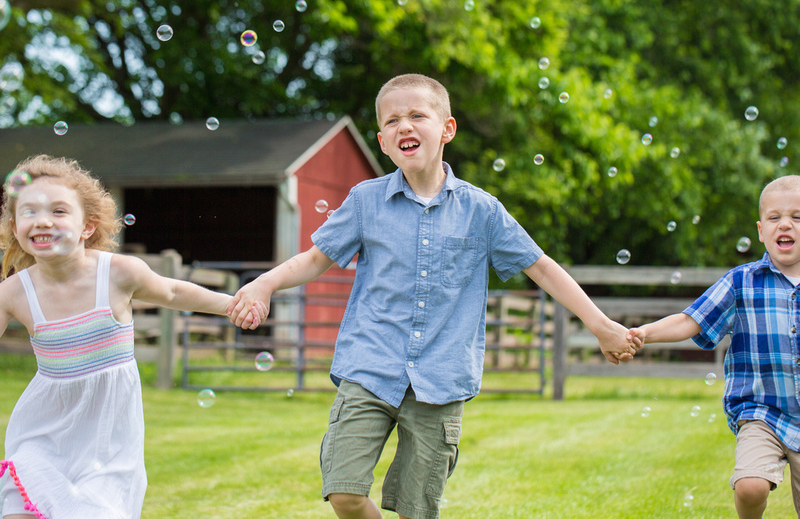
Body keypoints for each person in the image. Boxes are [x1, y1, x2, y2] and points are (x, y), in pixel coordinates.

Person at [228, 73, 640, 519]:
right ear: (383, 141)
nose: (404, 125)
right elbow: (314, 259)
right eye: (393, 120)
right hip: (370, 367)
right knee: (344, 492)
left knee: (415, 509)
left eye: (417, 115)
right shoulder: (366, 201)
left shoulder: (482, 211)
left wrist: (600, 324)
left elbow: (540, 267)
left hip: (440, 382)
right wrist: (264, 282)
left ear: (447, 129)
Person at [0, 155, 265, 519]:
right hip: (42, 428)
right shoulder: (13, 293)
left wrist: (234, 305)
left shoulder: (118, 273)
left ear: (87, 227)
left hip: (108, 438)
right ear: (15, 228)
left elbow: (173, 292)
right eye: (29, 212)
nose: (43, 220)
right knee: (20, 508)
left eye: (59, 211)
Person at [627, 175, 800, 519]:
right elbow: (692, 319)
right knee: (750, 486)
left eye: (798, 217)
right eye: (774, 218)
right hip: (760, 412)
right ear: (761, 230)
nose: (786, 225)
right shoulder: (741, 281)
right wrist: (644, 332)